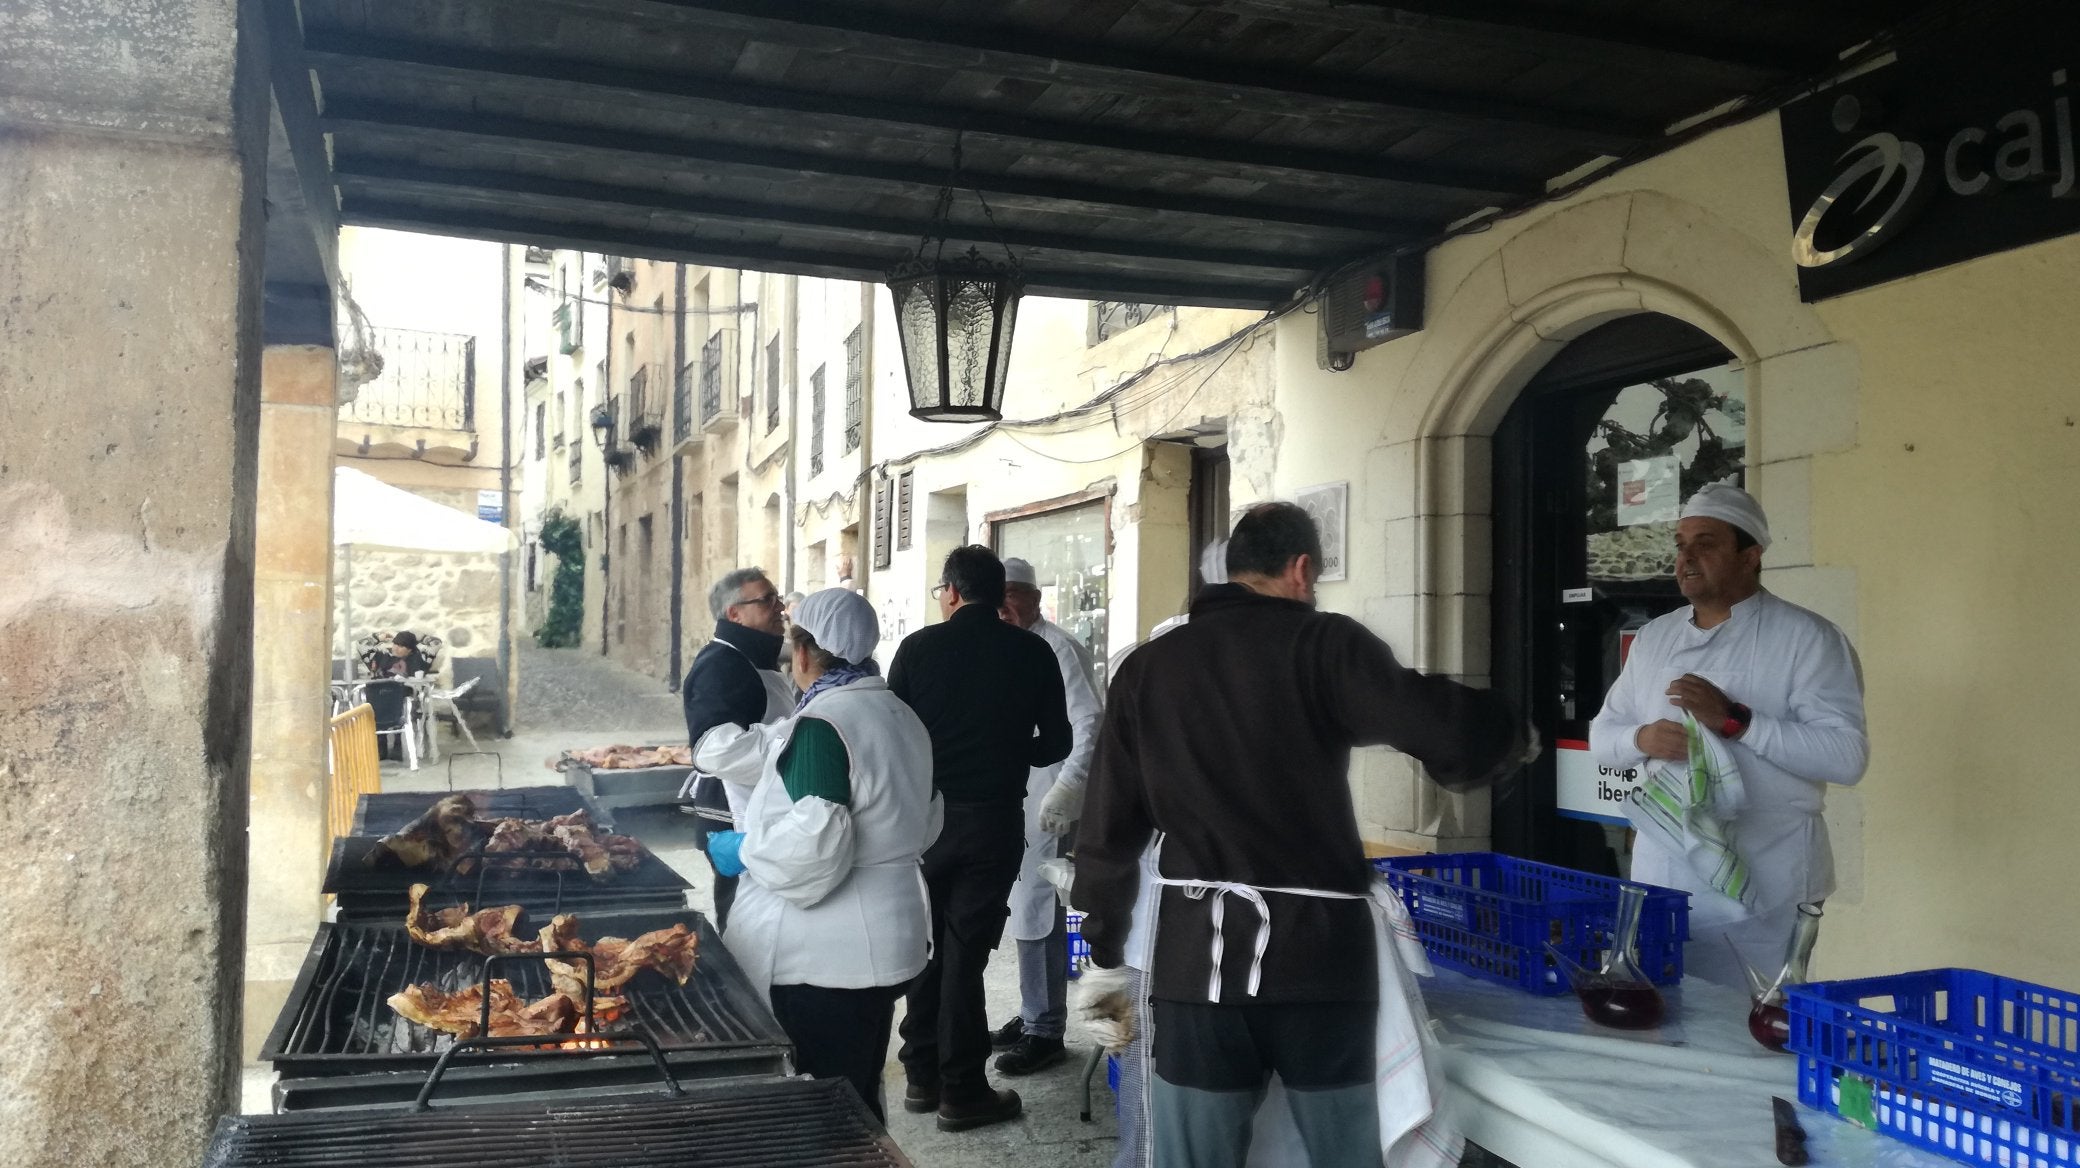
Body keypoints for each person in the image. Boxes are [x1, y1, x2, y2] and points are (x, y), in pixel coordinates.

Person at [1074, 502, 1528, 1168]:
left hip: (1198, 967)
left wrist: (1105, 956)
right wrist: (1512, 733)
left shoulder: (1148, 670)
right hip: (1323, 962)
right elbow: (1445, 726)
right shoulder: (1326, 646)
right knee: (1345, 1155)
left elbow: (1107, 827)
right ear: (1301, 568)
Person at [1589, 484, 1868, 985]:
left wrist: (1738, 722)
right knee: (1661, 1024)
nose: (1687, 556)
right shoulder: (1655, 639)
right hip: (1663, 876)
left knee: (1748, 1034)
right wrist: (1642, 740)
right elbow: (1602, 736)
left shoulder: (1808, 638)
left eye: (1707, 542)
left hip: (1768, 882)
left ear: (1750, 556)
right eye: (1680, 544)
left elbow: (1847, 758)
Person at [692, 588, 939, 1123]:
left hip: (827, 957)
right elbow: (928, 815)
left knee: (821, 1105)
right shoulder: (900, 713)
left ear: (803, 653)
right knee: (859, 1089)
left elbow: (814, 849)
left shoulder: (824, 725)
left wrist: (748, 852)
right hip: (889, 935)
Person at [890, 545, 1073, 1132]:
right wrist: (1012, 749)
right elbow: (1059, 742)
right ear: (999, 596)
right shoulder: (1032, 650)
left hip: (927, 823)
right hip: (994, 821)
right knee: (965, 956)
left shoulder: (918, 648)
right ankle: (963, 1089)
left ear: (951, 592)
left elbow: (897, 737)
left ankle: (922, 1074)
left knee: (926, 947)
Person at [989, 558, 1104, 1076]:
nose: (1005, 604)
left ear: (1035, 598)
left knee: (1037, 908)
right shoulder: (1007, 644)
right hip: (1020, 796)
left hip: (1048, 800)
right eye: (999, 594)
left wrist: (1067, 788)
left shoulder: (1056, 646)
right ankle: (1033, 1010)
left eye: (1015, 594)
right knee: (1025, 907)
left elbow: (1089, 722)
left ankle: (1045, 1031)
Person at [679, 567, 794, 931]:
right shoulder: (720, 665)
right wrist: (798, 744)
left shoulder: (753, 659)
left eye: (778, 598)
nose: (780, 608)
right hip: (734, 818)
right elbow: (714, 751)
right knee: (744, 922)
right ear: (734, 614)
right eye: (766, 600)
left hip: (761, 812)